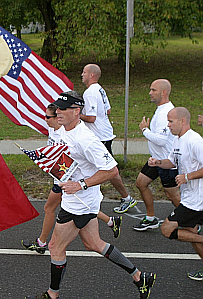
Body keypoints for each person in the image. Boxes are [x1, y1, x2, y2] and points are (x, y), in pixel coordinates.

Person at [25, 91, 155, 299]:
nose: (58, 112)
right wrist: (48, 163)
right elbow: (69, 159)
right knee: (94, 244)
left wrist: (80, 184)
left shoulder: (86, 138)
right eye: (57, 108)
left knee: (55, 247)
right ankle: (140, 277)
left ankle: (52, 294)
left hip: (80, 203)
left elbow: (111, 170)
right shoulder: (66, 130)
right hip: (79, 199)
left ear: (77, 112)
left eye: (63, 109)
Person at [22, 104, 122, 254]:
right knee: (92, 241)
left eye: (48, 117)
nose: (45, 120)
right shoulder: (54, 130)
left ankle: (41, 243)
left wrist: (81, 183)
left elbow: (110, 170)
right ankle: (110, 221)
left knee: (50, 208)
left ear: (57, 118)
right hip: (63, 180)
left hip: (69, 181)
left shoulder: (69, 132)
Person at [148, 107, 203, 280]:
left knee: (166, 229)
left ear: (183, 121)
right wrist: (158, 162)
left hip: (196, 199)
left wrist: (187, 176)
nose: (168, 125)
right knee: (191, 233)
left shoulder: (195, 141)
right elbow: (172, 161)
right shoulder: (178, 140)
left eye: (171, 121)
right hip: (188, 196)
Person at [80, 64, 137, 213]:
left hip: (99, 137)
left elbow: (91, 118)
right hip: (103, 134)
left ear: (92, 75)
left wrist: (76, 114)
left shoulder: (90, 92)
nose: (82, 74)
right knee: (100, 168)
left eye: (84, 72)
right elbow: (108, 110)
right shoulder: (100, 89)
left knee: (110, 170)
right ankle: (91, 195)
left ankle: (126, 198)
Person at [130, 79, 181, 231]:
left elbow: (162, 140)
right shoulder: (161, 110)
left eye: (154, 90)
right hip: (155, 159)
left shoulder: (166, 112)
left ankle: (193, 222)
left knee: (173, 196)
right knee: (141, 183)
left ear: (164, 92)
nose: (150, 93)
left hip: (166, 161)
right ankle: (151, 218)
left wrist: (145, 130)